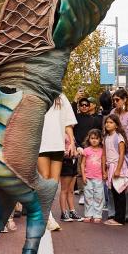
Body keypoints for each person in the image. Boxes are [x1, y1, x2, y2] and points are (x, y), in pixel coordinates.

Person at [39, 92, 76, 229]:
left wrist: (71, 142)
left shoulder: (62, 97)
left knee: (54, 184)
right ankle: (47, 216)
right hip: (41, 144)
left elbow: (68, 124)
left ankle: (45, 214)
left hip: (58, 145)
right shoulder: (37, 92)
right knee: (45, 179)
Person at [111, 88, 128, 222]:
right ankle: (113, 211)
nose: (115, 102)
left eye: (117, 99)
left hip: (127, 150)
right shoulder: (112, 112)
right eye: (113, 100)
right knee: (113, 180)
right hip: (114, 150)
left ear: (125, 99)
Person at [102, 113, 128, 226]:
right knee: (114, 192)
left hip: (118, 166)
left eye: (111, 122)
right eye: (107, 122)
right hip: (110, 167)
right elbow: (104, 154)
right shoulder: (106, 137)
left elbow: (122, 154)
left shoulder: (118, 137)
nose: (108, 124)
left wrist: (118, 169)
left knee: (119, 192)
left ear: (116, 125)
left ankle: (120, 219)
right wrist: (104, 170)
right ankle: (117, 217)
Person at [79, 129, 105, 222]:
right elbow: (82, 164)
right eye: (92, 138)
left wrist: (104, 173)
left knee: (98, 196)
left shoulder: (102, 151)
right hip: (88, 177)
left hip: (98, 177)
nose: (94, 140)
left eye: (96, 138)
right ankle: (88, 214)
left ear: (100, 140)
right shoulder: (86, 150)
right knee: (88, 196)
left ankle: (97, 215)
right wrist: (83, 176)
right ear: (89, 139)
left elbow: (103, 163)